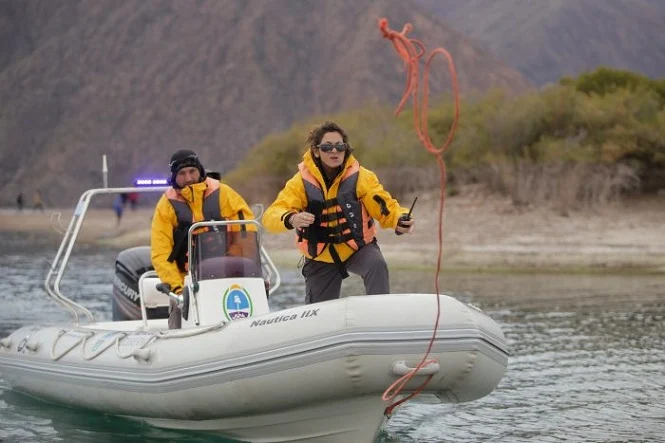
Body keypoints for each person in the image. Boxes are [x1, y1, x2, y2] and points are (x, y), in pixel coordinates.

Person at [262, 121, 415, 304]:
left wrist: (399, 219)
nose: (334, 151)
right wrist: (292, 218)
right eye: (327, 147)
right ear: (316, 151)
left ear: (345, 149)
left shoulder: (362, 177)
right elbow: (271, 215)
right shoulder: (299, 183)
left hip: (358, 248)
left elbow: (384, 205)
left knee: (377, 265)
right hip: (320, 256)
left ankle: (381, 313)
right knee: (317, 312)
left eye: (339, 146)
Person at [151, 149, 255, 329]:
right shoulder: (166, 205)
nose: (188, 177)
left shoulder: (224, 193)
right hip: (185, 282)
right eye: (182, 174)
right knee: (177, 325)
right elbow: (161, 252)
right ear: (174, 177)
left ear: (200, 170)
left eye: (192, 171)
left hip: (227, 276)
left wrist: (237, 266)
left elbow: (246, 232)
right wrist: (177, 288)